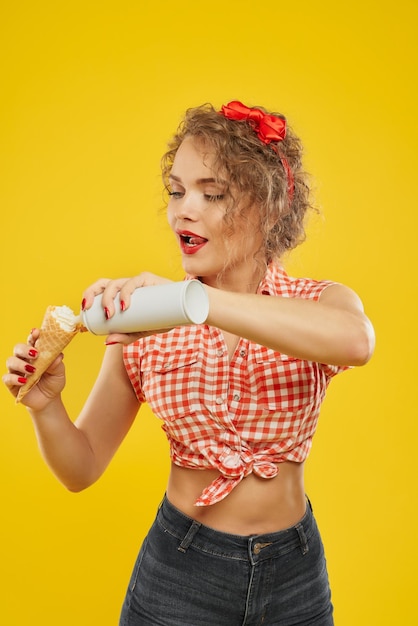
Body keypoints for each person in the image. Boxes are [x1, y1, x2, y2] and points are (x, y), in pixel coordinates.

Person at [3, 100, 375, 625]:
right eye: (176, 191)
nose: (183, 209)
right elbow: (81, 467)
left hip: (295, 574)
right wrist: (45, 405)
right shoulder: (146, 322)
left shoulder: (314, 302)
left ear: (268, 208)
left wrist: (192, 303)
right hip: (180, 573)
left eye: (212, 193)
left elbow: (356, 342)